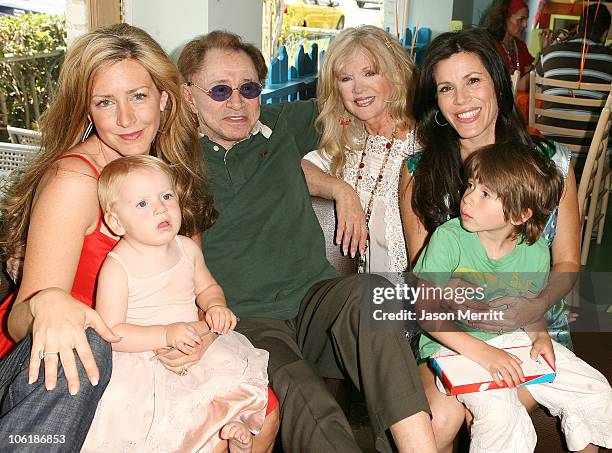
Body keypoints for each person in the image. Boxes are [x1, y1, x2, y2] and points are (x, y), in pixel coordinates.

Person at [0, 24, 278, 452]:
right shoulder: (75, 181)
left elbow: (192, 282)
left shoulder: (173, 172)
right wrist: (45, 303)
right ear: (86, 111)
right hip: (67, 363)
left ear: (165, 99)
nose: (126, 119)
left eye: (139, 96)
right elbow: (19, 323)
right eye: (105, 102)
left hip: (154, 339)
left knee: (256, 414)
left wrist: (201, 336)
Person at [178, 30, 435, 453]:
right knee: (304, 395)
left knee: (370, 296)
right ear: (189, 96)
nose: (237, 102)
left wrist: (340, 188)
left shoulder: (282, 125)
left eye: (248, 88)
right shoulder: (176, 160)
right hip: (249, 321)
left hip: (317, 300)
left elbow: (360, 102)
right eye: (220, 90)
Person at [399, 28, 581, 452]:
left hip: (531, 333)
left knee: (497, 406)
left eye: (473, 81)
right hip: (448, 333)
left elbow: (568, 261)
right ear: (437, 103)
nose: (462, 100)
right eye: (446, 88)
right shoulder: (420, 170)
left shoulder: (550, 163)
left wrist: (529, 307)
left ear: (498, 83)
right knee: (439, 418)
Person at [414, 142, 612, 453]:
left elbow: (528, 307)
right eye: (471, 184)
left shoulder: (533, 252)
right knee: (502, 416)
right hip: (453, 346)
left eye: (485, 194)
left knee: (596, 390)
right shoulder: (448, 239)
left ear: (520, 214)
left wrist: (541, 337)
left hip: (512, 339)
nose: (467, 196)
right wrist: (484, 354)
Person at [81, 155, 269, 452]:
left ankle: (237, 428)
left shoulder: (187, 248)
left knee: (237, 387)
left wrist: (215, 306)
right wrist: (166, 334)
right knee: (166, 420)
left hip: (196, 343)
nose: (160, 207)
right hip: (145, 358)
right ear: (116, 222)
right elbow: (113, 332)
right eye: (142, 204)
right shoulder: (117, 267)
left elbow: (207, 287)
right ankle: (214, 438)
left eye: (167, 196)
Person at [302, 25, 419, 273]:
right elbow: (302, 169)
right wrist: (342, 190)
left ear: (394, 75)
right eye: (346, 79)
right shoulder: (350, 141)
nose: (358, 89)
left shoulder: (420, 146)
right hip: (357, 295)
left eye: (369, 73)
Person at [535, 3, 612, 163]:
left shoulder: (550, 53)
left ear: (579, 27)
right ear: (605, 33)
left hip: (547, 151)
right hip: (591, 157)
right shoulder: (609, 58)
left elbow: (537, 87)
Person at [483, 0, 533, 91]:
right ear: (504, 18)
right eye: (521, 19)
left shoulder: (521, 46)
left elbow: (530, 74)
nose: (525, 25)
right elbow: (519, 85)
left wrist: (545, 51)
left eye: (526, 20)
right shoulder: (490, 45)